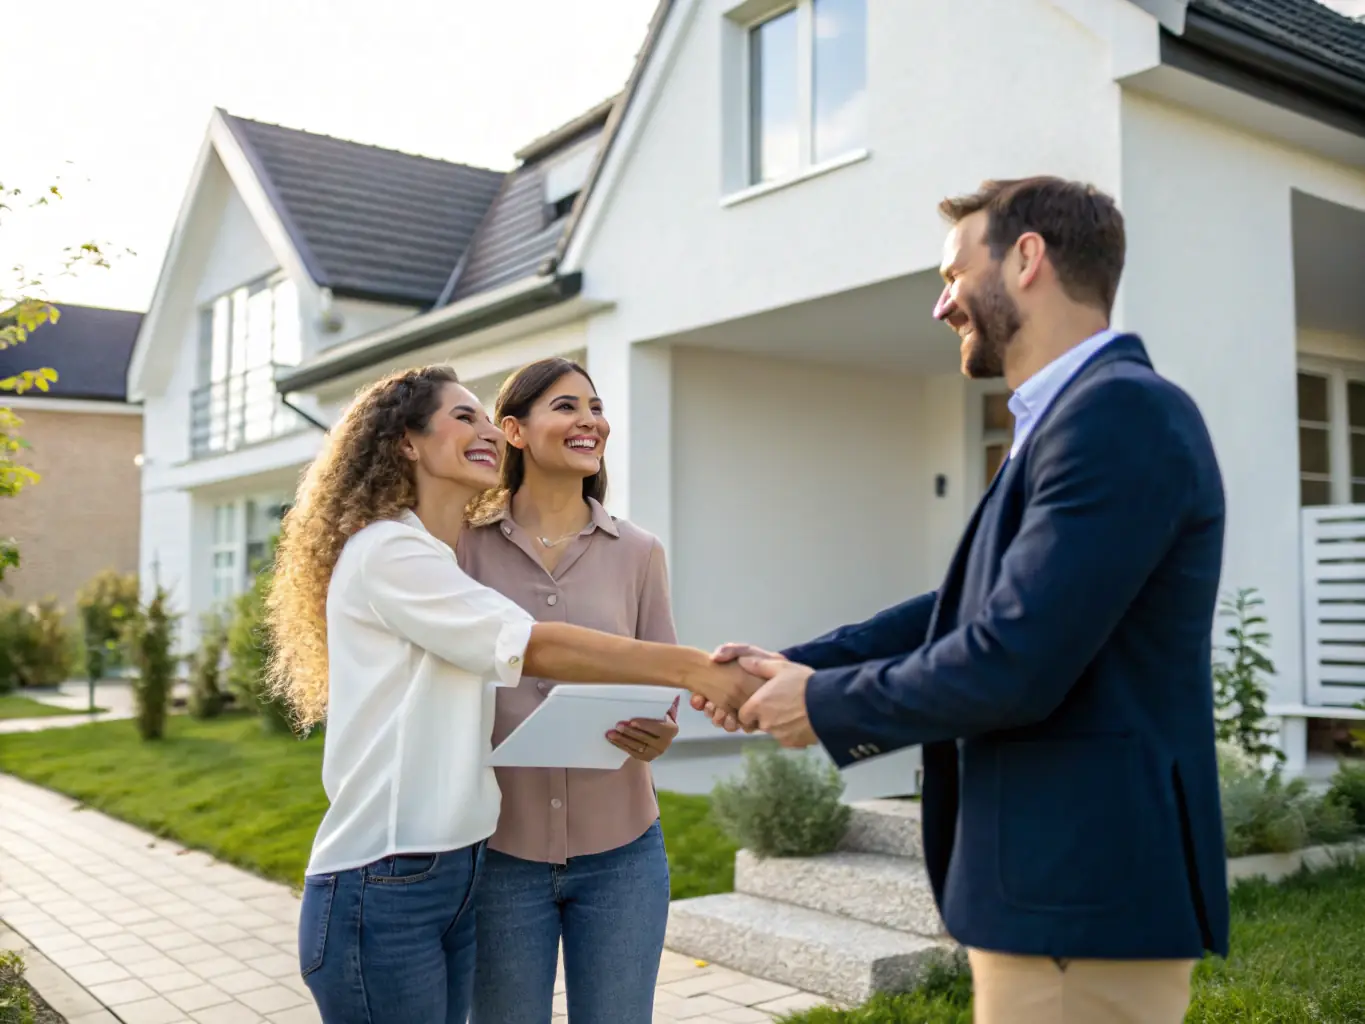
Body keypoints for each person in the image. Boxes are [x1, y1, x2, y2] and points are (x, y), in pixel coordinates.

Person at [704, 177, 1230, 1024]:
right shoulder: (1063, 421)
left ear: (1027, 258)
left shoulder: (1117, 415)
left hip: (1079, 890)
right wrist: (804, 664)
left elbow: (1012, 660)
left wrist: (826, 704)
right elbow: (969, 607)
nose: (941, 305)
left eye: (952, 274)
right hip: (1049, 892)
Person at [264, 365, 754, 1024]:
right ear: (406, 442)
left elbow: (636, 682)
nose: (485, 431)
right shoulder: (409, 554)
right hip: (420, 867)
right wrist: (702, 670)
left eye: (483, 418)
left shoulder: (438, 552)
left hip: (468, 865)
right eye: (465, 417)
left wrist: (666, 710)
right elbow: (531, 645)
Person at [458, 357, 678, 1024]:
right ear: (514, 431)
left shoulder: (637, 552)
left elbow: (662, 676)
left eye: (594, 406)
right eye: (565, 406)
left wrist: (661, 727)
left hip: (622, 853)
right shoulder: (460, 549)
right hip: (499, 852)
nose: (589, 421)